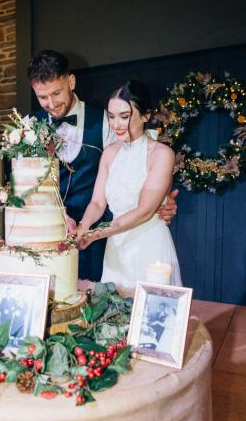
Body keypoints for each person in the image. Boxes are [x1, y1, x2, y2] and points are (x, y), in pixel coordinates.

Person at [27, 50, 178, 281]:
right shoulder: (28, 127)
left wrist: (164, 201)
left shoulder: (103, 123)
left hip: (102, 241)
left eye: (56, 93)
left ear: (71, 81)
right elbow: (26, 186)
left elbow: (137, 173)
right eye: (42, 97)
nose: (51, 103)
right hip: (49, 234)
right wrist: (61, 218)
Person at [75, 80, 182, 294]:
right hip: (116, 248)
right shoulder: (110, 153)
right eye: (111, 116)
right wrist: (83, 226)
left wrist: (96, 235)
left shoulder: (161, 154)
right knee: (113, 319)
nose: (116, 124)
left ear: (146, 116)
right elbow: (97, 202)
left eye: (124, 116)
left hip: (149, 247)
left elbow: (144, 211)